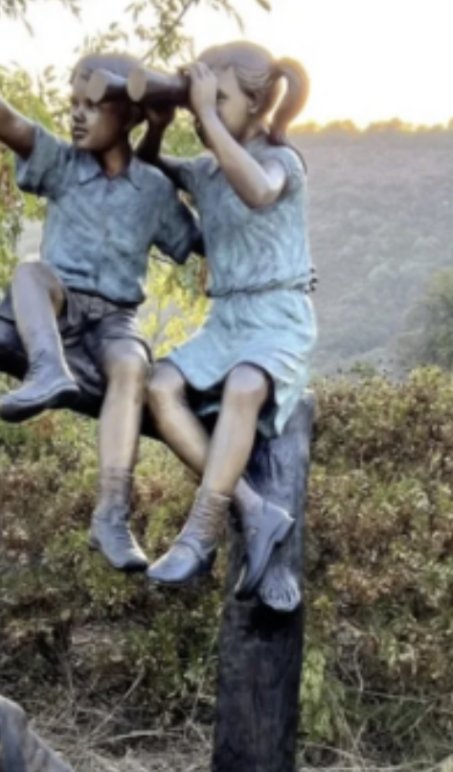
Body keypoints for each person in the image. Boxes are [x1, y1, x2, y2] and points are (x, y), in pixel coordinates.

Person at [0, 24, 201, 572]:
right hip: (60, 305)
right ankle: (47, 369)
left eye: (92, 106)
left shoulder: (154, 189)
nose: (77, 116)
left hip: (115, 320)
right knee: (31, 273)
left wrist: (284, 268)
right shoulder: (63, 165)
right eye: (72, 104)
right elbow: (3, 118)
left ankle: (111, 514)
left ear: (127, 117)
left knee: (132, 365)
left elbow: (200, 240)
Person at [137, 42, 316, 600]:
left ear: (257, 102)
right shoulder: (207, 168)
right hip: (227, 319)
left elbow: (259, 192)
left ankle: (200, 532)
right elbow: (146, 170)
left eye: (219, 100)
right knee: (160, 386)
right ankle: (252, 506)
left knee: (245, 384)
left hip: (278, 315)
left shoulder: (279, 161)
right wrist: (160, 126)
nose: (203, 112)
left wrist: (207, 117)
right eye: (200, 103)